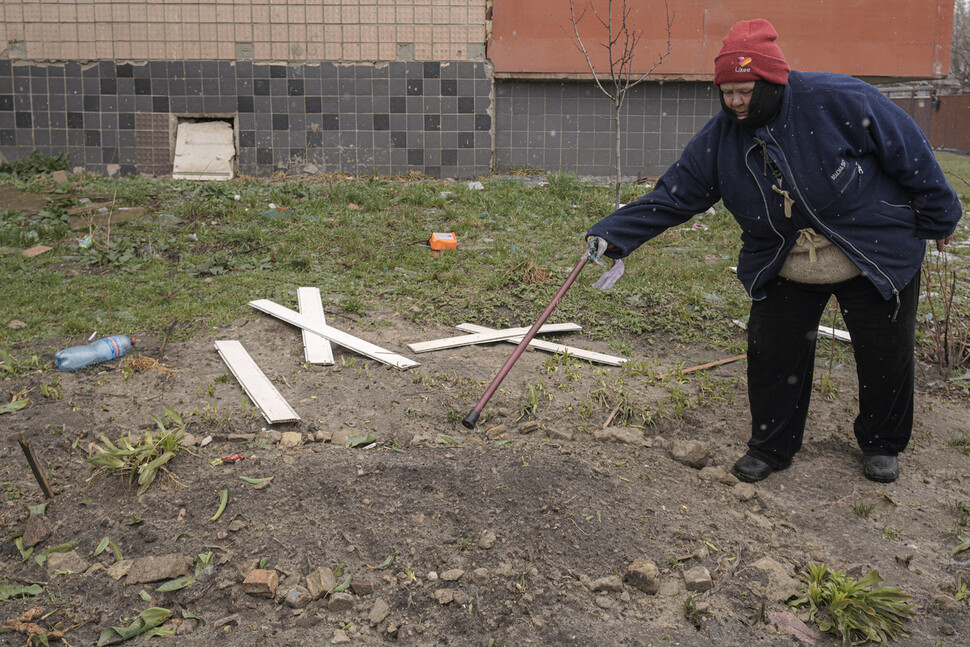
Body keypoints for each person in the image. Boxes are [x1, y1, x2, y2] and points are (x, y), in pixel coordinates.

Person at [585, 18, 962, 484]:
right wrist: (615, 233)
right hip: (784, 258)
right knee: (772, 355)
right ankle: (771, 445)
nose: (735, 102)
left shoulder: (841, 100)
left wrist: (939, 216)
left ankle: (882, 443)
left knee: (885, 354)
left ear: (772, 81)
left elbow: (912, 154)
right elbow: (676, 194)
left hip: (873, 247)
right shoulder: (721, 136)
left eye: (744, 90)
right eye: (726, 91)